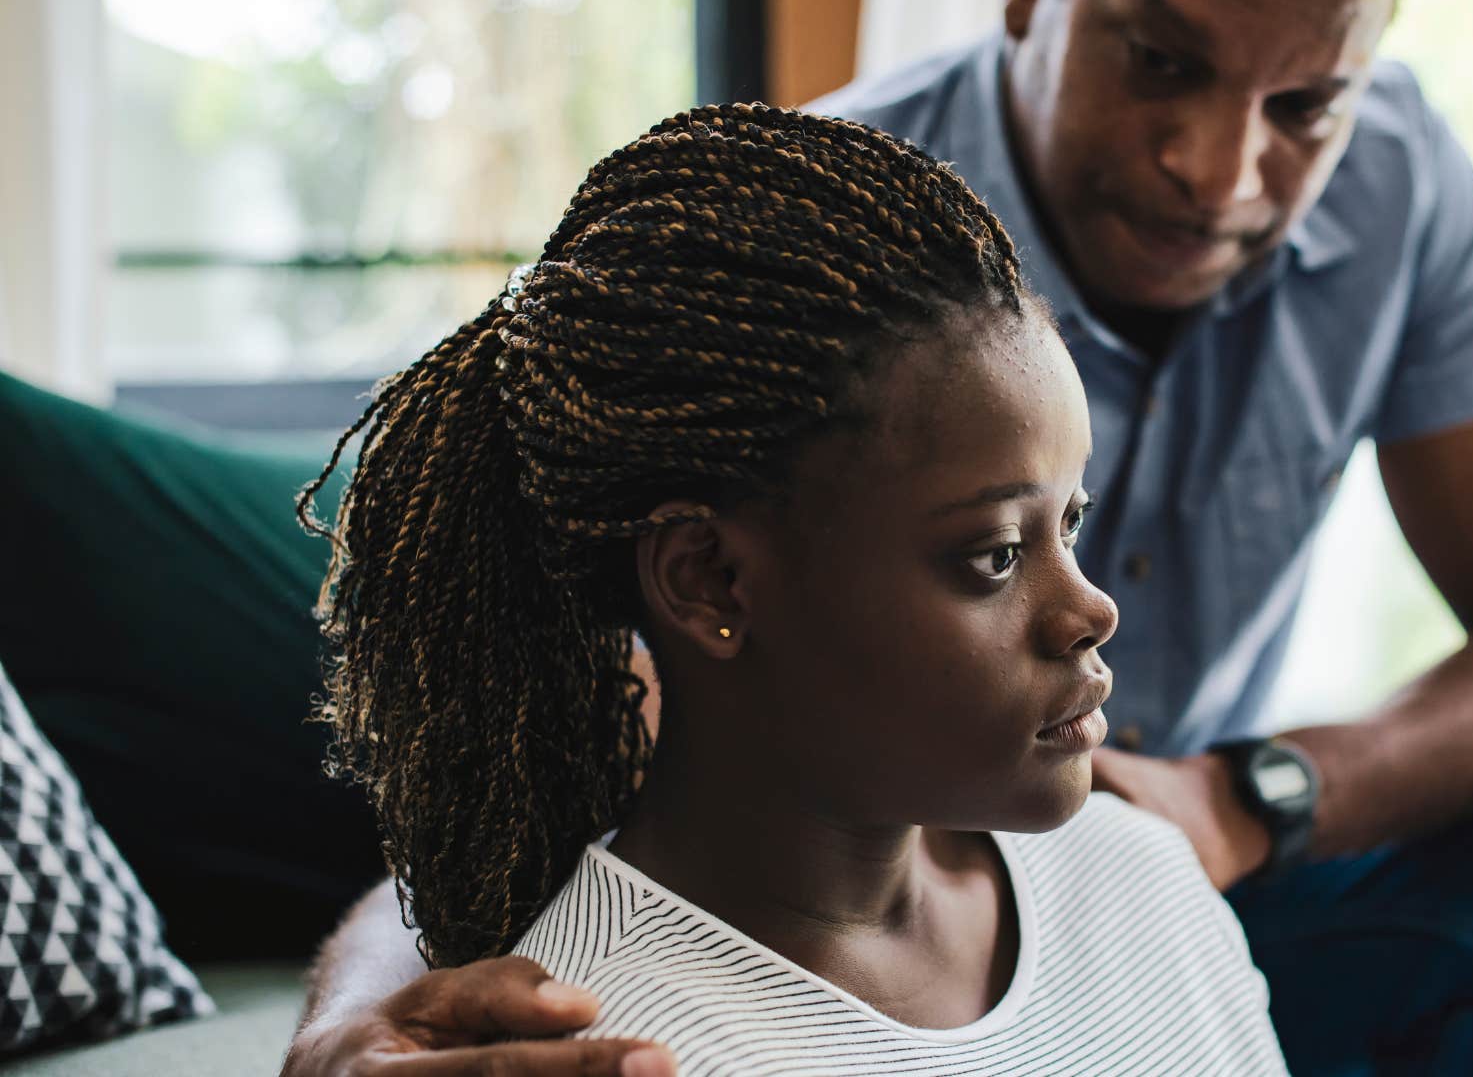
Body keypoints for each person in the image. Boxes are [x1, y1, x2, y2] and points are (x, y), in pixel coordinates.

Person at [284, 0, 1473, 1074]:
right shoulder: (800, 266)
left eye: (1304, 104)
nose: (1220, 165)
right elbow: (582, 750)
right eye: (1162, 60)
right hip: (859, 830)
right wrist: (373, 1008)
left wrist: (1241, 802)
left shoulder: (1402, 184)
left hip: (1161, 860)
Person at [285, 105, 1287, 1077]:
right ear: (710, 578)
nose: (1091, 610)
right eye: (991, 555)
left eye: (1068, 523)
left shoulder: (1143, 879)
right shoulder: (606, 1047)